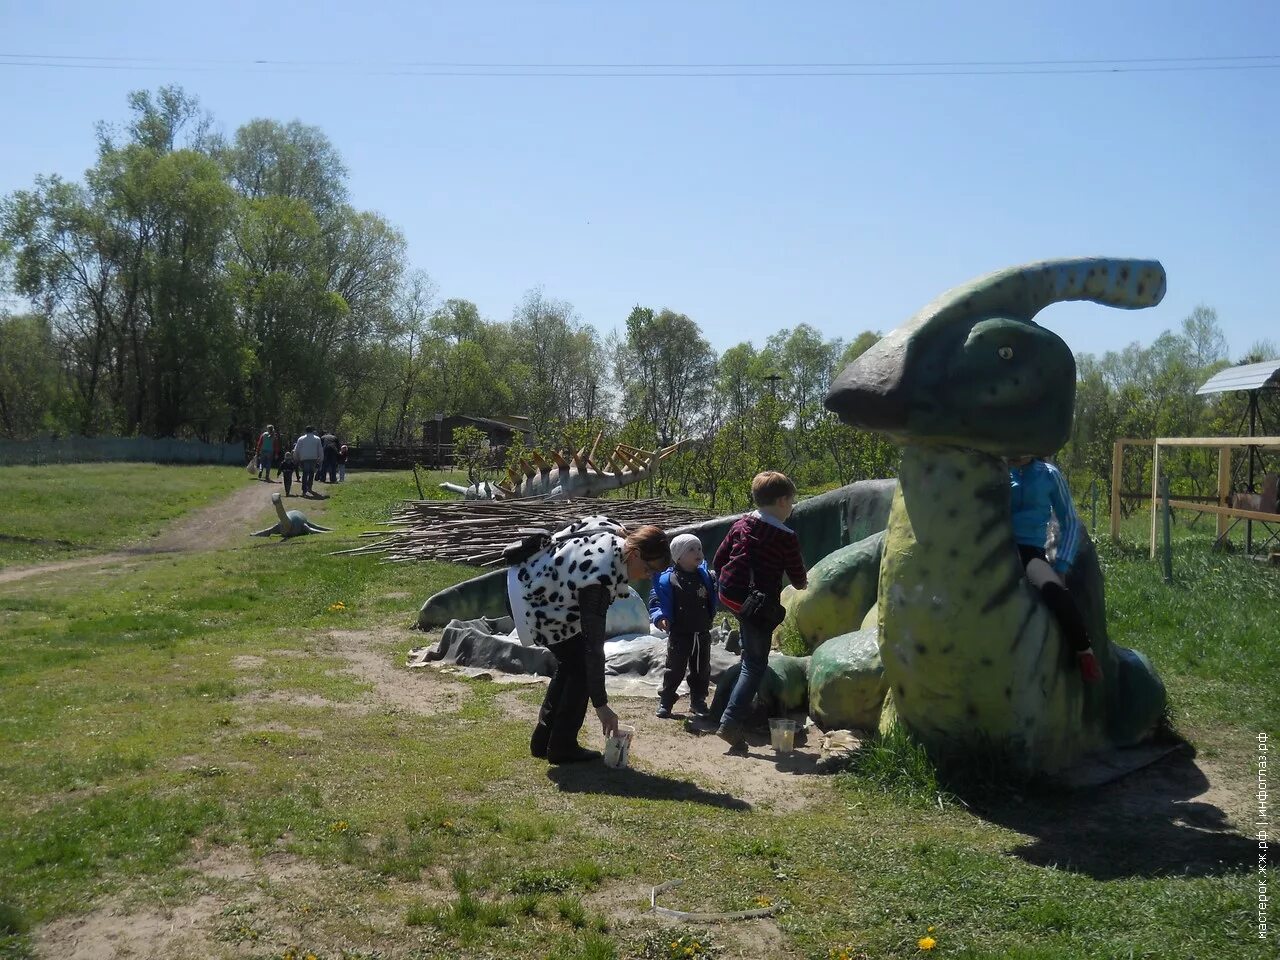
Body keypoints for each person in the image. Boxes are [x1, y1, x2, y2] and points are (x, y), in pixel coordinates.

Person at [509, 516, 670, 764]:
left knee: (571, 663)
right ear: (635, 554)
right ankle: (562, 746)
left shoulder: (617, 532)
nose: (647, 576)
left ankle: (543, 740)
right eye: (648, 569)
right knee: (581, 667)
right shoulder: (601, 578)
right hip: (535, 602)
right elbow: (593, 647)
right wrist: (602, 706)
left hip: (529, 578)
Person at [711, 471, 808, 752]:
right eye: (791, 502)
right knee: (755, 665)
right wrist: (802, 584)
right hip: (757, 605)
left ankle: (732, 709)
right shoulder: (785, 536)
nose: (791, 508)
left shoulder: (741, 524)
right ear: (781, 501)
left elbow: (719, 559)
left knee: (749, 653)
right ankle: (730, 722)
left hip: (730, 594)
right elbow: (797, 575)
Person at [1008, 456, 1102, 683]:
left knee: (1055, 590)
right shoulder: (996, 470)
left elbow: (1069, 520)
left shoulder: (1049, 474)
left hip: (1029, 551)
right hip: (998, 546)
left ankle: (1084, 652)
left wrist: (1062, 565)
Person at [648, 534, 718, 719]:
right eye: (692, 549)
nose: (698, 552)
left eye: (699, 548)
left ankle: (698, 700)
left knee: (701, 670)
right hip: (680, 634)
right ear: (678, 555)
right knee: (674, 669)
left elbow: (715, 593)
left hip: (701, 632)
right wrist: (660, 618)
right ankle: (666, 700)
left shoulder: (706, 576)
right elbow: (656, 601)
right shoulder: (668, 579)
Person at [293, 426, 323, 497]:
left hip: (304, 458)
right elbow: (320, 449)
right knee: (311, 473)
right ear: (312, 431)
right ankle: (309, 487)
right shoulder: (317, 439)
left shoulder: (301, 439)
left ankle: (304, 490)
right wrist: (320, 458)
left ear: (305, 431)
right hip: (313, 458)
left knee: (305, 473)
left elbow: (297, 449)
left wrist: (296, 458)